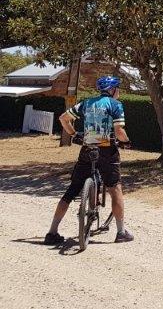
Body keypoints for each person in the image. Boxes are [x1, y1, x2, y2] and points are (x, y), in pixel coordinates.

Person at [43, 75, 134, 245]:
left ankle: (52, 232)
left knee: (72, 190)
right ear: (113, 90)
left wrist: (74, 135)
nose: (119, 92)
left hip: (87, 148)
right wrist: (126, 142)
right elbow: (119, 130)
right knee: (115, 189)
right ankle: (121, 231)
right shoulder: (115, 104)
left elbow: (63, 118)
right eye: (118, 88)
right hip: (108, 150)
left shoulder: (87, 103)